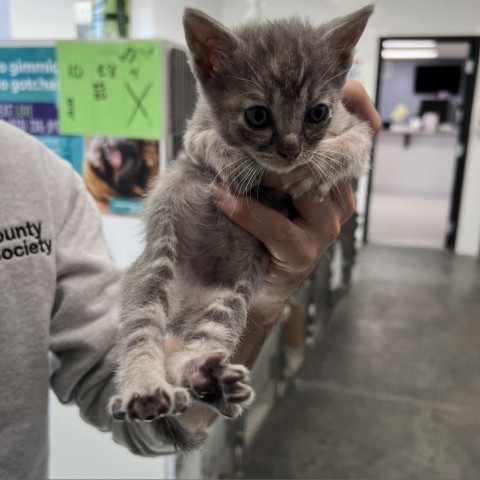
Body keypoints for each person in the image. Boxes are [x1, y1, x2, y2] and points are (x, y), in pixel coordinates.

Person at [0, 80, 380, 479]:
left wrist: (266, 297)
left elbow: (130, 406)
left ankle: (193, 362)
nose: (288, 143)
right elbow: (199, 137)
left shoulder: (37, 177)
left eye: (314, 113)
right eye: (258, 114)